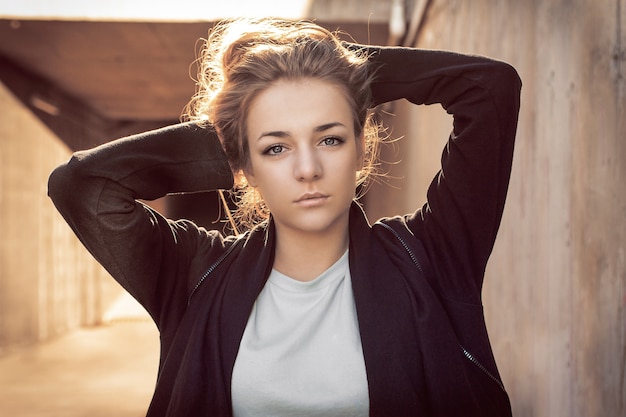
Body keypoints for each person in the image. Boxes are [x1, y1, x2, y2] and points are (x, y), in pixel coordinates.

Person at [48, 17, 521, 417]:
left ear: (360, 146)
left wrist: (340, 69)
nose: (308, 168)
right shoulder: (192, 272)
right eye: (276, 148)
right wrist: (237, 129)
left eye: (330, 138)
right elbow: (83, 185)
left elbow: (489, 89)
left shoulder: (432, 257)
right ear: (245, 167)